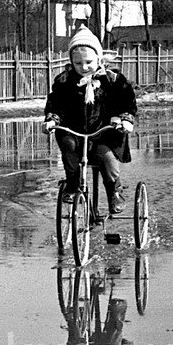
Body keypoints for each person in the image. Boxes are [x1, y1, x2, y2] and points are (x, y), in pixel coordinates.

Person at [43, 26, 137, 215]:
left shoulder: (112, 81)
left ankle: (114, 192)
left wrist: (126, 119)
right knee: (68, 145)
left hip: (104, 133)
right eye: (78, 63)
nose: (84, 67)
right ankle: (73, 183)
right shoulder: (65, 82)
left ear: (99, 59)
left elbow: (127, 101)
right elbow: (56, 103)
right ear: (71, 62)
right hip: (75, 132)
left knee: (106, 157)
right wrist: (52, 119)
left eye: (88, 62)